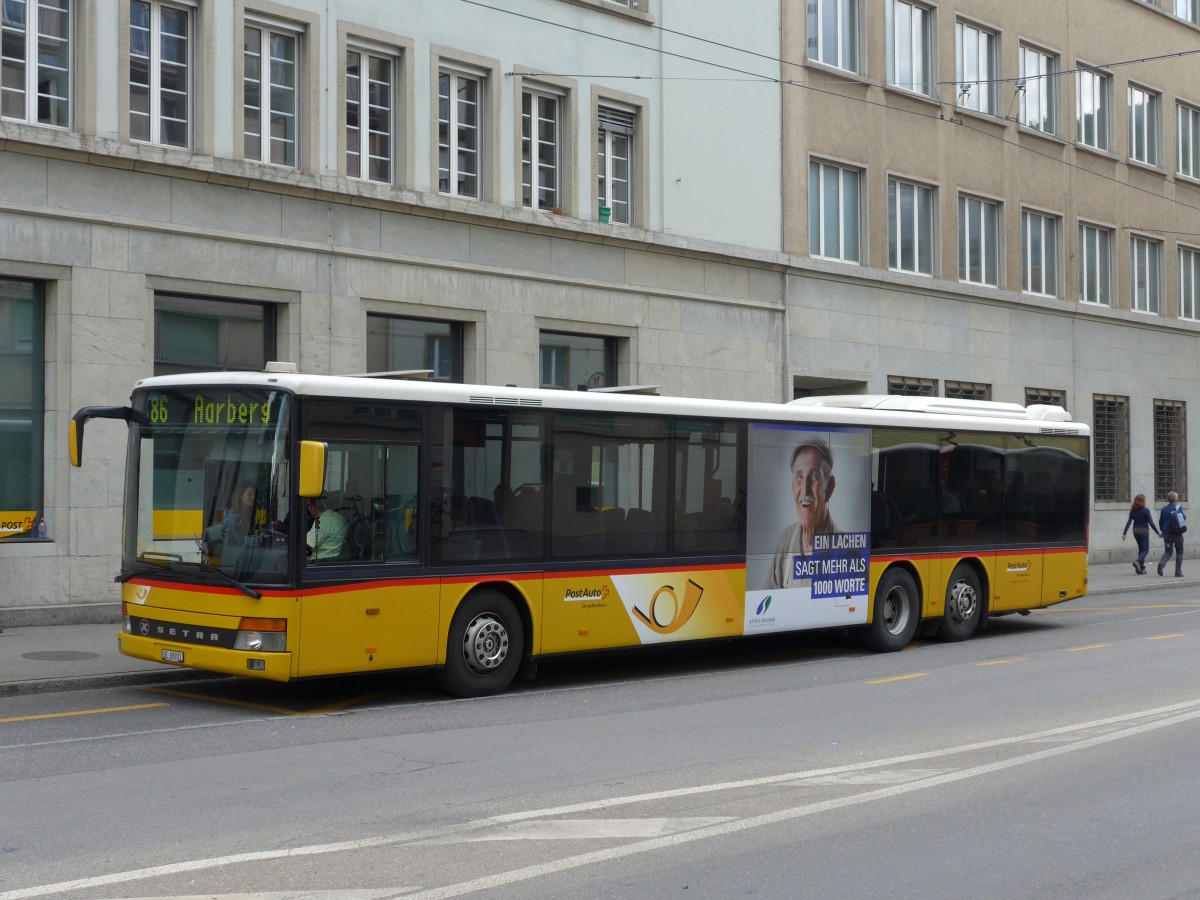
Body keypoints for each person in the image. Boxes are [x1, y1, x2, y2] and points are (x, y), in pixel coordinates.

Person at [765, 435, 841, 589]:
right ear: (793, 486)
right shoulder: (786, 540)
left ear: (829, 488)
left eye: (814, 477)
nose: (805, 489)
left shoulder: (846, 550)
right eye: (799, 477)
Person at [1120, 493, 1160, 574]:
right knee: (1145, 549)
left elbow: (1129, 522)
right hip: (1144, 531)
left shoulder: (1133, 511)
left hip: (1135, 531)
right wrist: (1158, 533)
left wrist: (1124, 533)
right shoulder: (1146, 510)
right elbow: (1151, 523)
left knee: (1141, 549)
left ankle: (1141, 568)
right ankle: (1138, 562)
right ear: (1143, 501)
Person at [1156, 491, 1186, 577]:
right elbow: (1184, 518)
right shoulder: (1178, 507)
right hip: (1177, 533)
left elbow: (1161, 522)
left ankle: (1162, 564)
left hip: (1167, 534)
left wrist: (1163, 531)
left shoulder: (1164, 509)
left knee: (1168, 552)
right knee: (1180, 552)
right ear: (1175, 499)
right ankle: (1178, 572)